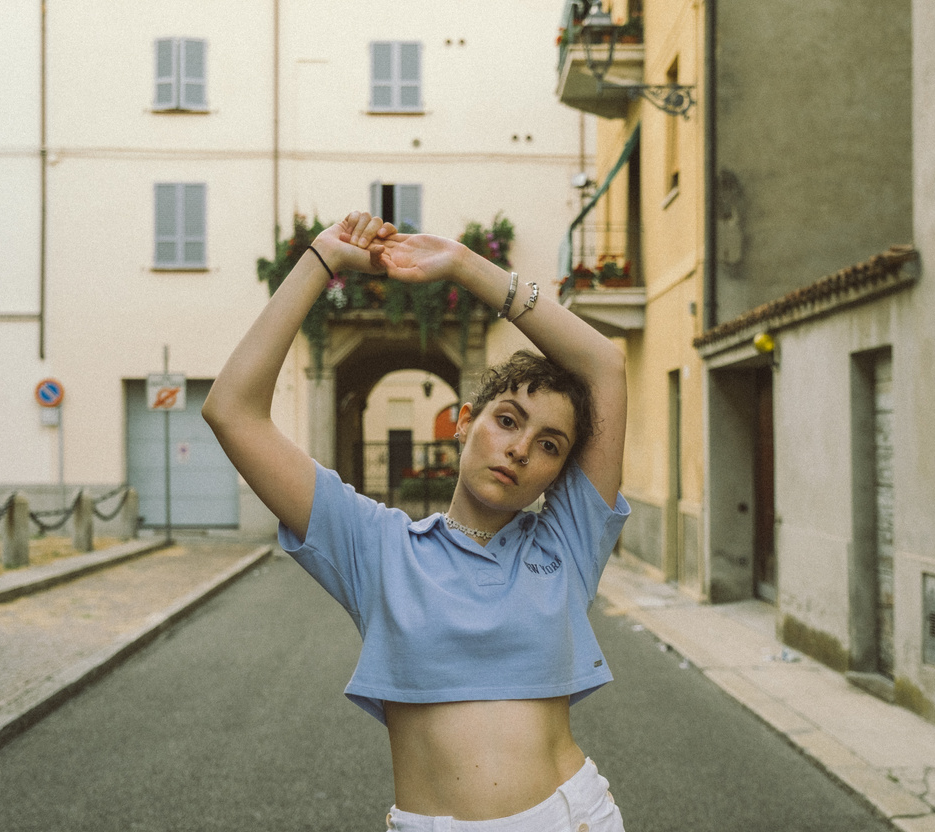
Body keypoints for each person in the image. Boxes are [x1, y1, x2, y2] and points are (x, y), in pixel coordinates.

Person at [203, 211, 630, 831]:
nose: (519, 449)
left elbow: (605, 366)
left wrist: (461, 264)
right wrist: (322, 258)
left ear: (560, 472)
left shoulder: (570, 543)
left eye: (549, 444)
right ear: (464, 423)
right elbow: (233, 412)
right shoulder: (378, 549)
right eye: (507, 420)